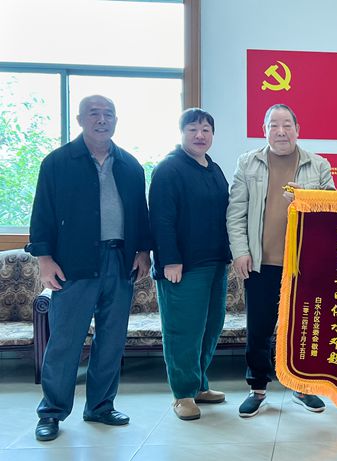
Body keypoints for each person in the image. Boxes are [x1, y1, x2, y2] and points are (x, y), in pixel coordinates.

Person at [25, 95, 151, 441]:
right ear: (80, 119)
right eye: (94, 113)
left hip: (119, 261)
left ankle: (100, 405)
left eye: (108, 114)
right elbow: (42, 213)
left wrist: (143, 251)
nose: (102, 119)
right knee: (65, 341)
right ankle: (52, 412)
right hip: (74, 264)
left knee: (111, 340)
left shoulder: (130, 166)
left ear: (116, 120)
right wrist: (44, 259)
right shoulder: (58, 162)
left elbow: (140, 214)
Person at [226, 103, 336, 417]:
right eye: (274, 125)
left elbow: (333, 209)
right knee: (259, 328)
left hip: (305, 264)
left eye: (287, 125)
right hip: (261, 262)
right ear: (264, 131)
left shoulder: (318, 165)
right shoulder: (248, 163)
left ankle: (303, 387)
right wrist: (240, 251)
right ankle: (257, 388)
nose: (281, 131)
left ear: (297, 130)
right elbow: (236, 213)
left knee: (304, 327)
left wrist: (307, 199)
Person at [149, 108, 232, 421]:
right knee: (184, 331)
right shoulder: (169, 169)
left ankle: (199, 385)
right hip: (183, 267)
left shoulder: (214, 168)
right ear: (181, 133)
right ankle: (183, 394)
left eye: (206, 130)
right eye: (193, 129)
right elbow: (161, 219)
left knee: (211, 326)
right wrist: (169, 259)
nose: (200, 135)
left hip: (215, 262)